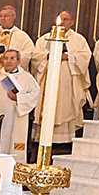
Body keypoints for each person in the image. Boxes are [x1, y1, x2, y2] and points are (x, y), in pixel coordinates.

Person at [30, 9, 91, 146]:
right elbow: (35, 56)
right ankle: (42, 139)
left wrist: (68, 57)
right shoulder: (45, 38)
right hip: (47, 79)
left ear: (72, 22)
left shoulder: (78, 39)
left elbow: (85, 57)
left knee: (65, 105)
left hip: (67, 81)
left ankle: (64, 140)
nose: (62, 23)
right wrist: (47, 56)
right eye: (60, 19)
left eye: (66, 20)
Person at [0, 48, 40, 162]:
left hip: (18, 117)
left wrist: (18, 98)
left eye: (12, 58)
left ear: (19, 61)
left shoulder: (27, 77)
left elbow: (35, 94)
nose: (8, 61)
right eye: (6, 58)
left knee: (15, 144)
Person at [0, 5, 35, 76]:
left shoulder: (22, 36)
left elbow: (29, 54)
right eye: (1, 16)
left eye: (6, 16)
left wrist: (12, 58)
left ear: (14, 17)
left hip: (12, 75)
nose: (3, 18)